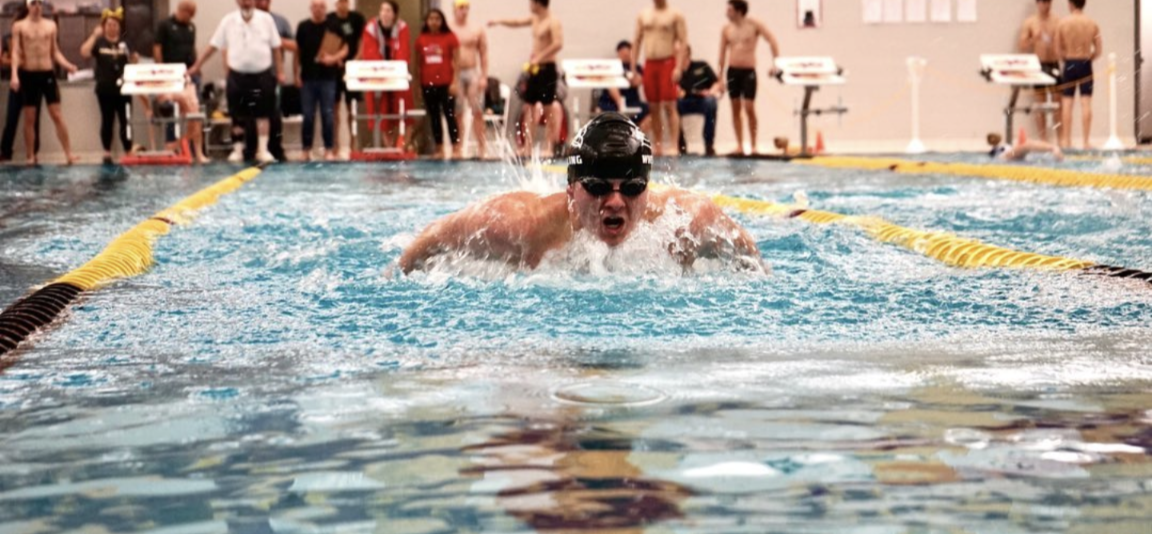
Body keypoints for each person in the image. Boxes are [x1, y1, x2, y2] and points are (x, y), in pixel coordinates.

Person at [398, 112, 763, 274]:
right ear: (571, 189)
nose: (616, 201)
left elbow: (754, 264)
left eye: (632, 188)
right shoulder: (524, 226)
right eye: (599, 187)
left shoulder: (686, 223)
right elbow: (435, 236)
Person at [188, 0, 287, 163]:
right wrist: (197, 65)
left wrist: (281, 71)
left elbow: (276, 47)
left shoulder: (266, 20)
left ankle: (262, 150)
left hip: (262, 75)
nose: (246, 2)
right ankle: (238, 150)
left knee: (263, 114)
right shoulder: (228, 21)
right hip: (237, 76)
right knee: (237, 115)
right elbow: (213, 45)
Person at [489, 0, 563, 158]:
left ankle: (549, 147)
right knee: (528, 107)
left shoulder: (553, 21)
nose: (529, 5)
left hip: (547, 69)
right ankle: (527, 146)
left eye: (531, 2)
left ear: (538, 3)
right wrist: (498, 21)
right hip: (535, 70)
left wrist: (540, 57)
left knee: (548, 108)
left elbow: (558, 44)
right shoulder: (535, 19)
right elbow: (516, 23)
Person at [12, 0, 79, 165]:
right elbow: (15, 52)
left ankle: (68, 154)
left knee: (57, 114)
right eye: (33, 3)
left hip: (47, 73)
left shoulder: (50, 26)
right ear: (28, 6)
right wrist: (14, 75)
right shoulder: (19, 26)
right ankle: (30, 155)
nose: (37, 7)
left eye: (39, 4)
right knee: (30, 118)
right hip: (28, 74)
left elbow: (54, 51)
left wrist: (68, 65)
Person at [718, 0, 779, 156]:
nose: (726, 13)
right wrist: (719, 79)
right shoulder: (726, 29)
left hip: (748, 72)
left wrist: (776, 64)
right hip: (732, 71)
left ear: (739, 11)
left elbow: (772, 40)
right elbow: (722, 55)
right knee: (735, 108)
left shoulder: (754, 25)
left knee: (749, 108)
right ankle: (739, 145)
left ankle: (753, 145)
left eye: (729, 10)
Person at [80, 7, 138, 164]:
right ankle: (106, 151)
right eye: (109, 24)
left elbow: (134, 61)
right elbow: (84, 52)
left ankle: (128, 149)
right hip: (105, 88)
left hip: (124, 88)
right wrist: (94, 35)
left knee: (125, 120)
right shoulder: (99, 42)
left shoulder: (125, 43)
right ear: (104, 26)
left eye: (115, 25)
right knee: (107, 120)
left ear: (119, 27)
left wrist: (133, 56)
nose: (112, 27)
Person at [153, 0, 208, 163]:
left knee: (194, 111)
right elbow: (157, 48)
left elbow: (192, 48)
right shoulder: (165, 26)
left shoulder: (191, 27)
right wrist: (162, 71)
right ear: (181, 10)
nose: (190, 18)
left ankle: (196, 150)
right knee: (170, 110)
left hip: (188, 74)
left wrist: (197, 66)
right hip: (170, 74)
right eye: (188, 14)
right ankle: (173, 146)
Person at [633, 0, 687, 157]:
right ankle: (657, 145)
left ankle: (674, 144)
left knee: (670, 106)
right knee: (653, 107)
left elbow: (683, 42)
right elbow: (637, 41)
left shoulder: (675, 15)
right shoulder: (643, 15)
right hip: (650, 64)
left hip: (667, 62)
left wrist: (678, 67)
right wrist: (633, 68)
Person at [296, 0, 347, 161]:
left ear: (325, 9)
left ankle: (329, 149)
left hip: (328, 78)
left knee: (328, 114)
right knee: (308, 115)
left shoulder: (334, 26)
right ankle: (306, 149)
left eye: (321, 6)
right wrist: (296, 73)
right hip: (308, 79)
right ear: (311, 8)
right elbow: (297, 51)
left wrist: (333, 58)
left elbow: (345, 48)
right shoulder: (303, 26)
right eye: (315, 6)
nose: (318, 9)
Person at [360, 0, 413, 149]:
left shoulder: (402, 27)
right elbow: (370, 52)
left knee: (404, 111)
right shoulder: (371, 28)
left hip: (398, 75)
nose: (384, 13)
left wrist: (394, 71)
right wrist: (383, 71)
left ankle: (401, 146)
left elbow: (403, 51)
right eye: (382, 10)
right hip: (379, 77)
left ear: (394, 14)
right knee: (381, 112)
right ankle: (389, 147)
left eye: (388, 10)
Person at [1055, 0, 1101, 150]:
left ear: (1070, 4)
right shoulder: (1092, 23)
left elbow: (1057, 50)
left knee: (1067, 103)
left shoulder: (1063, 23)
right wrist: (1088, 58)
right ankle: (1086, 141)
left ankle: (1066, 141)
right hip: (1085, 64)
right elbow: (1099, 50)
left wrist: (1067, 59)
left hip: (1069, 63)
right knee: (1086, 102)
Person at [416, 8, 461, 159]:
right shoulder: (421, 39)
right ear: (426, 21)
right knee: (434, 116)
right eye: (431, 19)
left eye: (437, 19)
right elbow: (418, 64)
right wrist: (417, 85)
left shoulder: (449, 37)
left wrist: (455, 82)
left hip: (446, 83)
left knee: (449, 115)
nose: (434, 22)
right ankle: (439, 148)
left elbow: (456, 60)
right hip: (427, 84)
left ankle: (455, 147)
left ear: (442, 21)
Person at [0, 4, 40, 163]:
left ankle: (33, 152)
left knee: (34, 120)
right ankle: (5, 151)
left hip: (34, 80)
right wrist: (15, 62)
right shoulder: (8, 37)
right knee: (11, 118)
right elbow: (2, 59)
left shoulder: (36, 35)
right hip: (17, 81)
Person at [327, 0, 366, 157]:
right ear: (336, 4)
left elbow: (361, 41)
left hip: (352, 67)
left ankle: (353, 143)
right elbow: (328, 41)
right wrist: (336, 58)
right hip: (334, 66)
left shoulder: (357, 18)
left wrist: (356, 59)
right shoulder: (329, 19)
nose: (343, 5)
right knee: (334, 109)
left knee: (352, 108)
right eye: (339, 2)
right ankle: (335, 144)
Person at [1019, 0, 1061, 143]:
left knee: (1058, 103)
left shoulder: (1057, 21)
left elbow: (1063, 43)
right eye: (1043, 2)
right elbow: (1022, 46)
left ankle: (1060, 138)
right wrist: (1033, 40)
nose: (1046, 6)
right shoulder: (1030, 22)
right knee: (1040, 103)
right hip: (1038, 65)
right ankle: (1043, 139)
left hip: (1054, 64)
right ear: (1037, 3)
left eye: (1048, 2)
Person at [453, 0, 489, 159]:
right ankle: (459, 148)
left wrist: (484, 76)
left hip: (473, 72)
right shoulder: (449, 29)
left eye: (466, 8)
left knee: (478, 111)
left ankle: (482, 148)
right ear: (455, 9)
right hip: (456, 73)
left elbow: (484, 53)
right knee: (458, 112)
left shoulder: (476, 29)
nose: (464, 11)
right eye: (461, 8)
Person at [597, 40, 650, 133]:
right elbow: (610, 84)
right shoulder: (612, 67)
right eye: (622, 54)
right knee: (600, 111)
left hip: (631, 102)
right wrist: (619, 102)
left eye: (627, 53)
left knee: (651, 112)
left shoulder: (636, 68)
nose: (625, 56)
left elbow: (638, 81)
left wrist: (630, 76)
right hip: (610, 102)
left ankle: (638, 137)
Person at [676, 45, 720, 156]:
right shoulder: (675, 71)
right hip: (684, 101)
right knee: (672, 107)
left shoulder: (701, 66)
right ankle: (680, 145)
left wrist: (710, 92)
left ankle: (709, 144)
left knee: (711, 103)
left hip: (702, 100)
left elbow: (716, 83)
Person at [986, 132, 1064, 161]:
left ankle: (1053, 148)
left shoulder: (997, 149)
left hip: (1006, 156)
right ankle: (1053, 148)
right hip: (1005, 156)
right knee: (1026, 144)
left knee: (1026, 144)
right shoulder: (996, 150)